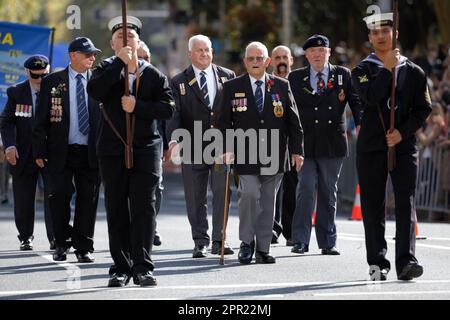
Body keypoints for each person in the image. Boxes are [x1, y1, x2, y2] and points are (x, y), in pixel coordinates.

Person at [87, 16, 175, 287]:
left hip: (146, 148)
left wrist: (138, 106)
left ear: (139, 43)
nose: (127, 42)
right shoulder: (105, 69)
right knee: (116, 208)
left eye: (131, 38)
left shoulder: (153, 74)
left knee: (144, 207)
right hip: (113, 149)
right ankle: (121, 266)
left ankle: (143, 266)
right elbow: (96, 91)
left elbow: (168, 108)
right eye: (121, 39)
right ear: (113, 45)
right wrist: (119, 65)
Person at [352, 12, 432, 281]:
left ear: (394, 34)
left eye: (385, 31)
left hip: (403, 146)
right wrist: (387, 69)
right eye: (375, 33)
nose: (380, 37)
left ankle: (407, 261)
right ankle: (377, 263)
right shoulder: (362, 70)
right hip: (372, 147)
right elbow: (371, 97)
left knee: (405, 203)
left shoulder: (415, 71)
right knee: (373, 206)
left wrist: (402, 132)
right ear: (370, 38)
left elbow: (424, 109)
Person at [218, 42, 304, 264]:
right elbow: (223, 123)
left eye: (260, 58)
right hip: (244, 153)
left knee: (267, 201)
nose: (255, 62)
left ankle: (263, 249)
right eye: (251, 58)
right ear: (245, 62)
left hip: (275, 154)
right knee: (249, 194)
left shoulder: (282, 86)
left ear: (267, 62)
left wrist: (297, 151)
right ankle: (247, 243)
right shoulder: (231, 87)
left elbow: (293, 122)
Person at [289, 35, 361, 256]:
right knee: (306, 189)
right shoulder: (295, 77)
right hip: (306, 144)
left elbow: (356, 102)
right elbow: (288, 110)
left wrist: (362, 126)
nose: (318, 54)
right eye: (313, 51)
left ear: (329, 53)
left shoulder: (342, 75)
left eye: (322, 51)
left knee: (329, 192)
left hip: (332, 143)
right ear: (307, 55)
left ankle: (328, 241)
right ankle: (300, 240)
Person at [167, 35, 236, 258]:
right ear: (190, 54)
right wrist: (174, 141)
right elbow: (174, 114)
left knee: (221, 192)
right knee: (196, 196)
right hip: (192, 146)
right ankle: (200, 240)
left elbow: (234, 113)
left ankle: (219, 240)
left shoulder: (228, 77)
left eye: (207, 50)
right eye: (199, 50)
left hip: (221, 148)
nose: (204, 54)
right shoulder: (179, 81)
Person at [33, 39, 101, 262]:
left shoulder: (99, 81)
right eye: (87, 53)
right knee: (59, 196)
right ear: (73, 55)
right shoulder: (53, 81)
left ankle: (84, 247)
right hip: (59, 151)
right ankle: (61, 243)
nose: (92, 57)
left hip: (90, 151)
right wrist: (39, 151)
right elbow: (40, 120)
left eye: (93, 54)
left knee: (88, 199)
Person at [0, 55, 54, 250]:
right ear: (27, 72)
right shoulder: (17, 92)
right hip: (23, 154)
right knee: (23, 198)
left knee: (53, 197)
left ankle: (55, 237)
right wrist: (10, 146)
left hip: (49, 153)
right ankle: (25, 236)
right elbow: (6, 122)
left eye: (44, 75)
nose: (40, 80)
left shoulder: (57, 89)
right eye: (35, 75)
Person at [136, 41, 162, 247]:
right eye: (140, 57)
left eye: (147, 58)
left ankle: (151, 225)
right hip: (128, 144)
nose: (144, 61)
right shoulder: (122, 79)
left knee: (157, 188)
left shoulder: (156, 78)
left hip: (154, 142)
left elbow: (166, 114)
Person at [270, 45, 296, 246]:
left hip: (292, 144)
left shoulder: (298, 82)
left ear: (291, 60)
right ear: (271, 61)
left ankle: (291, 232)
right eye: (277, 57)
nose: (281, 61)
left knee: (292, 187)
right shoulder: (267, 82)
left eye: (284, 57)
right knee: (272, 190)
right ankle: (271, 228)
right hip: (271, 144)